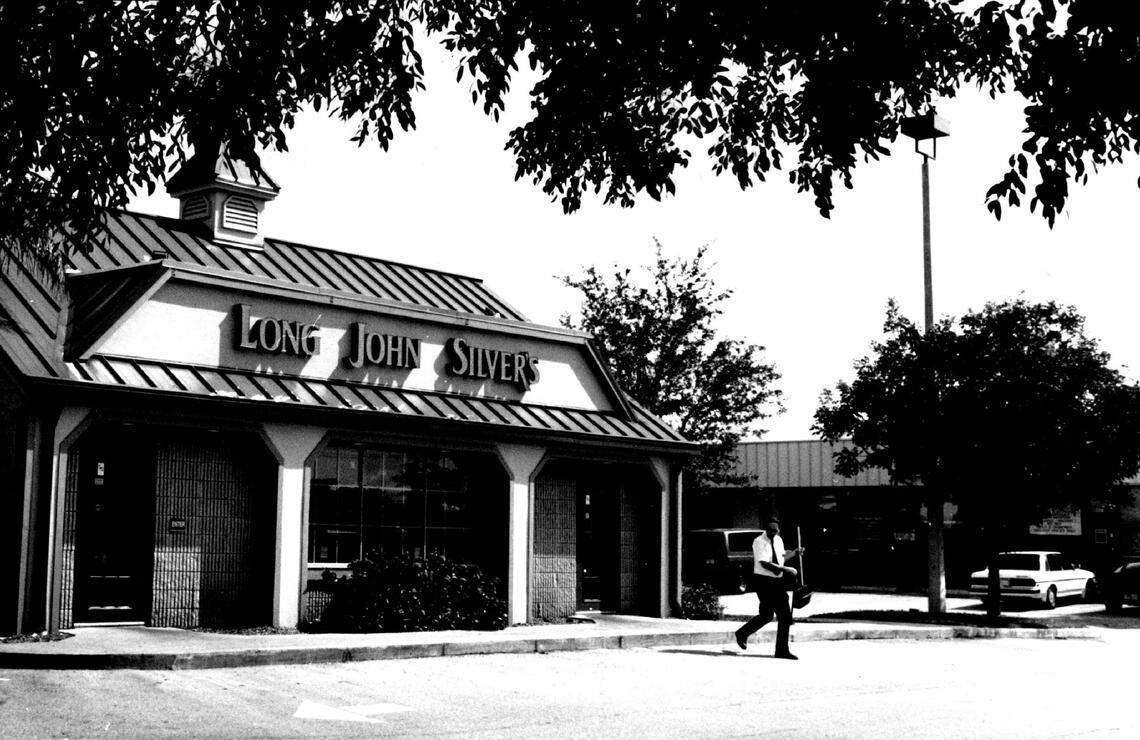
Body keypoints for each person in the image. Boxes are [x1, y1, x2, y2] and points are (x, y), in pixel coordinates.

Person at [734, 518, 802, 659]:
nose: (773, 533)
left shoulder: (778, 540)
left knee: (784, 616)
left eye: (775, 530)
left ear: (779, 530)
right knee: (767, 615)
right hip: (763, 581)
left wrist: (794, 553)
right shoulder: (759, 541)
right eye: (770, 530)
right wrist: (786, 569)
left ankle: (782, 650)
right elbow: (765, 563)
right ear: (766, 529)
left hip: (777, 581)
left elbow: (781, 557)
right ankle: (742, 633)